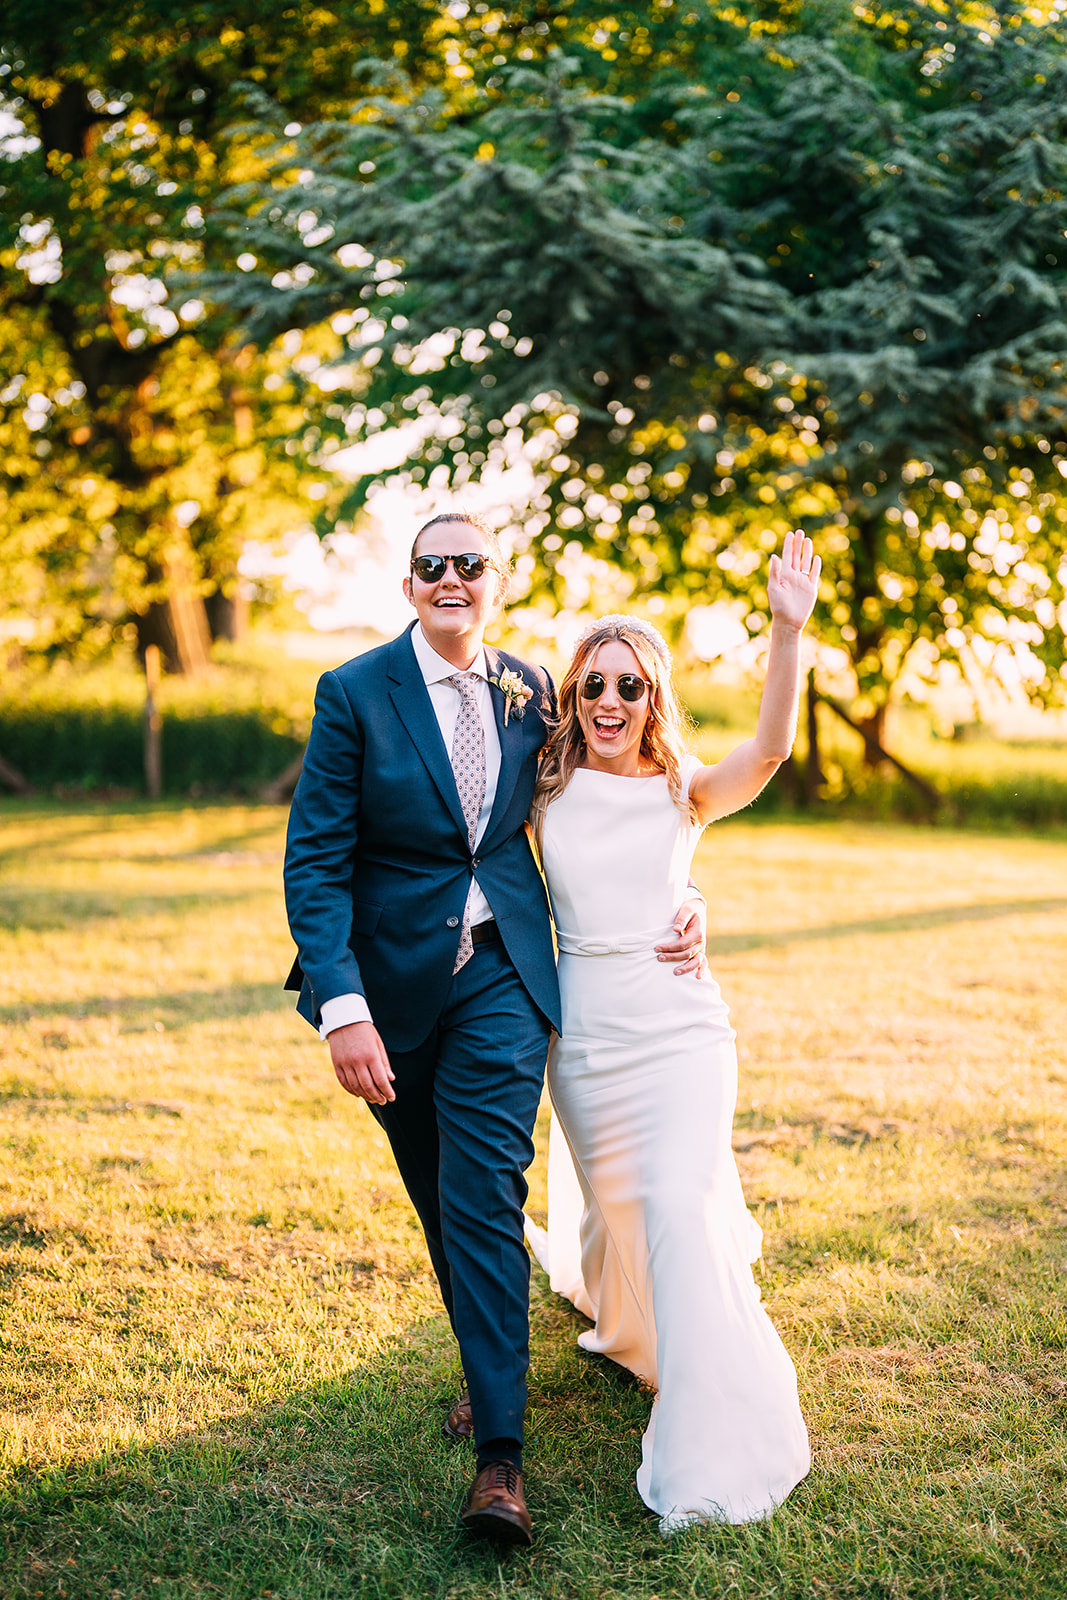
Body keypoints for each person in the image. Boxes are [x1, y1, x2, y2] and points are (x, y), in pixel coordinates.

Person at [282, 511, 707, 1546]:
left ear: (497, 581)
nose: (451, 579)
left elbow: (631, 786)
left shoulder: (532, 693)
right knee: (437, 1191)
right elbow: (315, 858)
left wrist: (688, 900)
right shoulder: (352, 696)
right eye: (432, 565)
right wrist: (343, 1009)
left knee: (480, 1187)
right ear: (409, 586)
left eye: (470, 564)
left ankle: (500, 1462)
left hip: (505, 982)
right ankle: (487, 1363)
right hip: (388, 992)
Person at [525, 530, 820, 1534]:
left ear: (653, 699)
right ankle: (639, 1336)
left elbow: (769, 750)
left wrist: (786, 631)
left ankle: (713, 1430)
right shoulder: (544, 788)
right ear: (571, 695)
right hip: (587, 1043)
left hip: (681, 1036)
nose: (609, 702)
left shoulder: (680, 788)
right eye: (592, 685)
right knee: (621, 1219)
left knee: (675, 1205)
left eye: (630, 687)